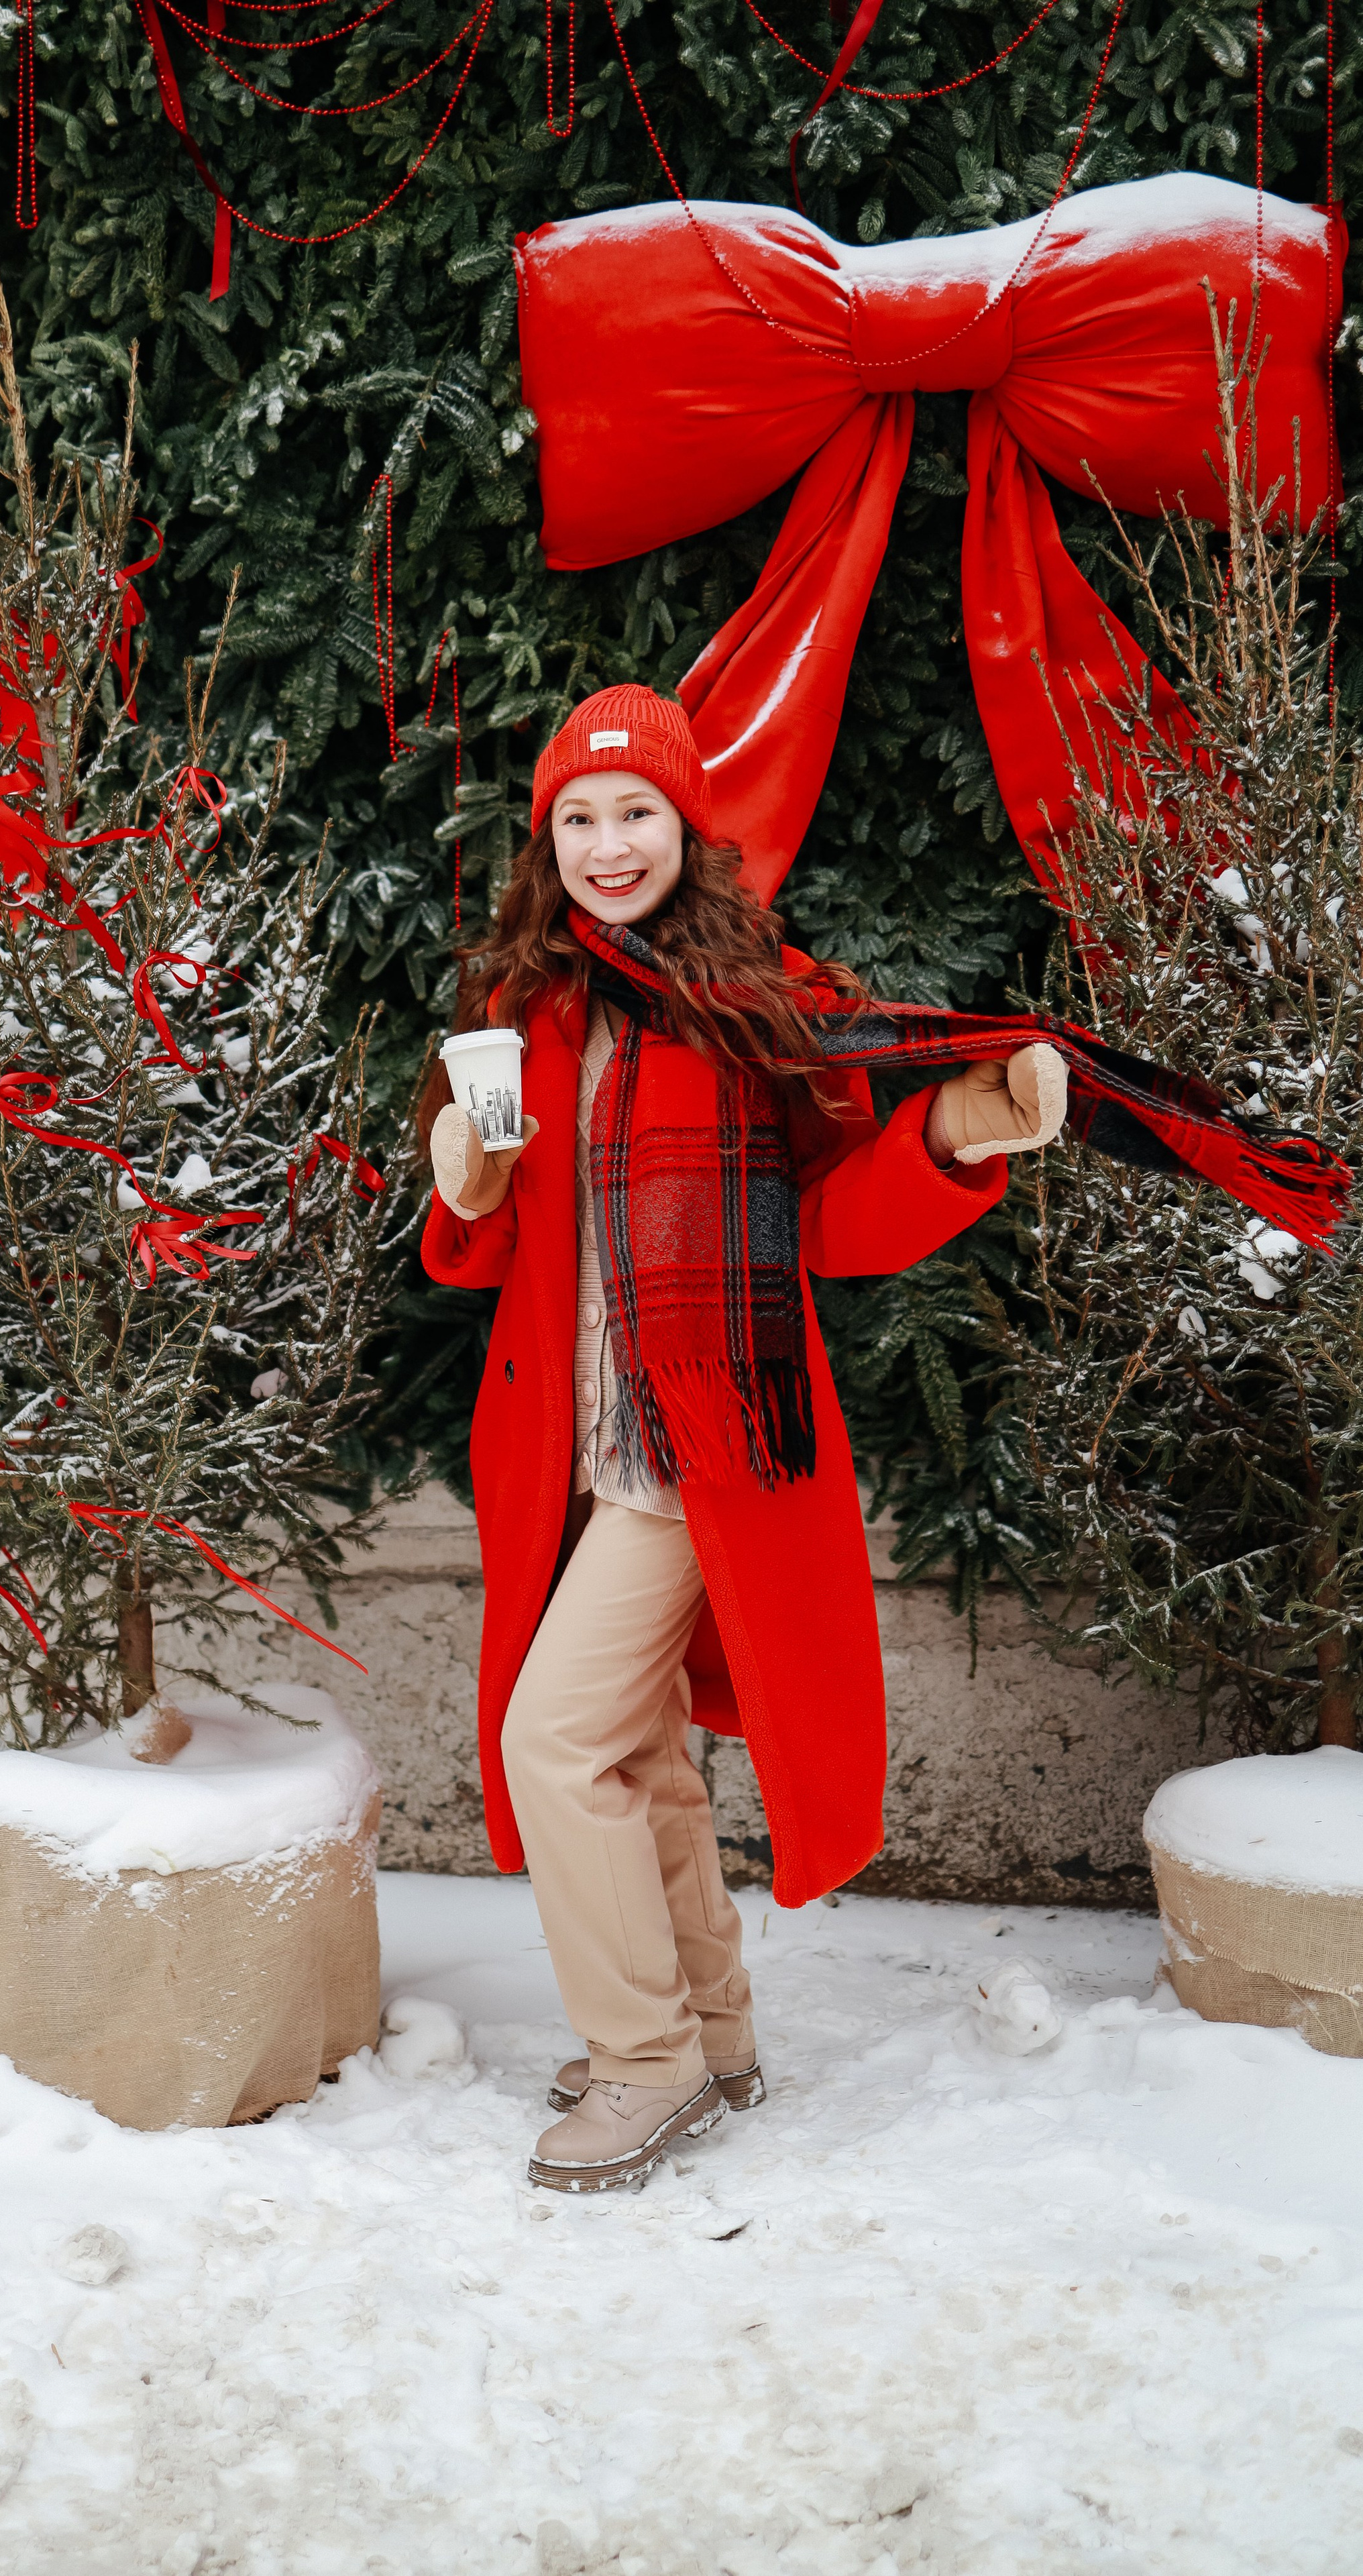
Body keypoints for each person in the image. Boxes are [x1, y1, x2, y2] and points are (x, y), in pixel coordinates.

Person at [418, 684, 1066, 2194]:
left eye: (633, 808)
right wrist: (465, 1177)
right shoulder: (534, 1004)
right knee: (634, 1750)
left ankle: (640, 2067)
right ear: (546, 842)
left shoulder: (763, 994)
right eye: (574, 817)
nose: (604, 842)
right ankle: (707, 2035)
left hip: (700, 1432)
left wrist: (955, 1133)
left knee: (552, 1741)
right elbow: (488, 1249)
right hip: (572, 1436)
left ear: (686, 822)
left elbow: (829, 1221)